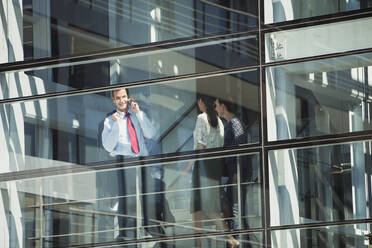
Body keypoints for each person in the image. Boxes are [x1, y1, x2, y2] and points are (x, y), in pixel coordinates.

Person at [183, 94, 239, 248]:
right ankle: (226, 238)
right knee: (208, 206)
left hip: (203, 166)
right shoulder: (220, 122)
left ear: (201, 102)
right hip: (214, 167)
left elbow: (200, 145)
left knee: (199, 208)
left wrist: (188, 166)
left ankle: (222, 240)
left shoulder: (201, 118)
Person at [101, 87, 156, 240]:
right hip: (124, 160)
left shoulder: (137, 114)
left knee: (146, 195)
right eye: (118, 98)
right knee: (126, 197)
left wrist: (138, 113)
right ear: (113, 100)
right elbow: (108, 146)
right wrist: (117, 125)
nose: (121, 100)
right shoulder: (109, 120)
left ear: (128, 97)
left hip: (141, 160)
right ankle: (125, 232)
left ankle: (149, 227)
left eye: (124, 97)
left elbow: (151, 134)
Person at [214, 97, 248, 231]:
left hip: (236, 176)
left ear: (223, 106)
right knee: (233, 213)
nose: (215, 109)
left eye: (216, 105)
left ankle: (240, 241)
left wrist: (236, 173)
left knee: (236, 212)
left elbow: (242, 147)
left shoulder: (235, 123)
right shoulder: (231, 124)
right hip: (233, 175)